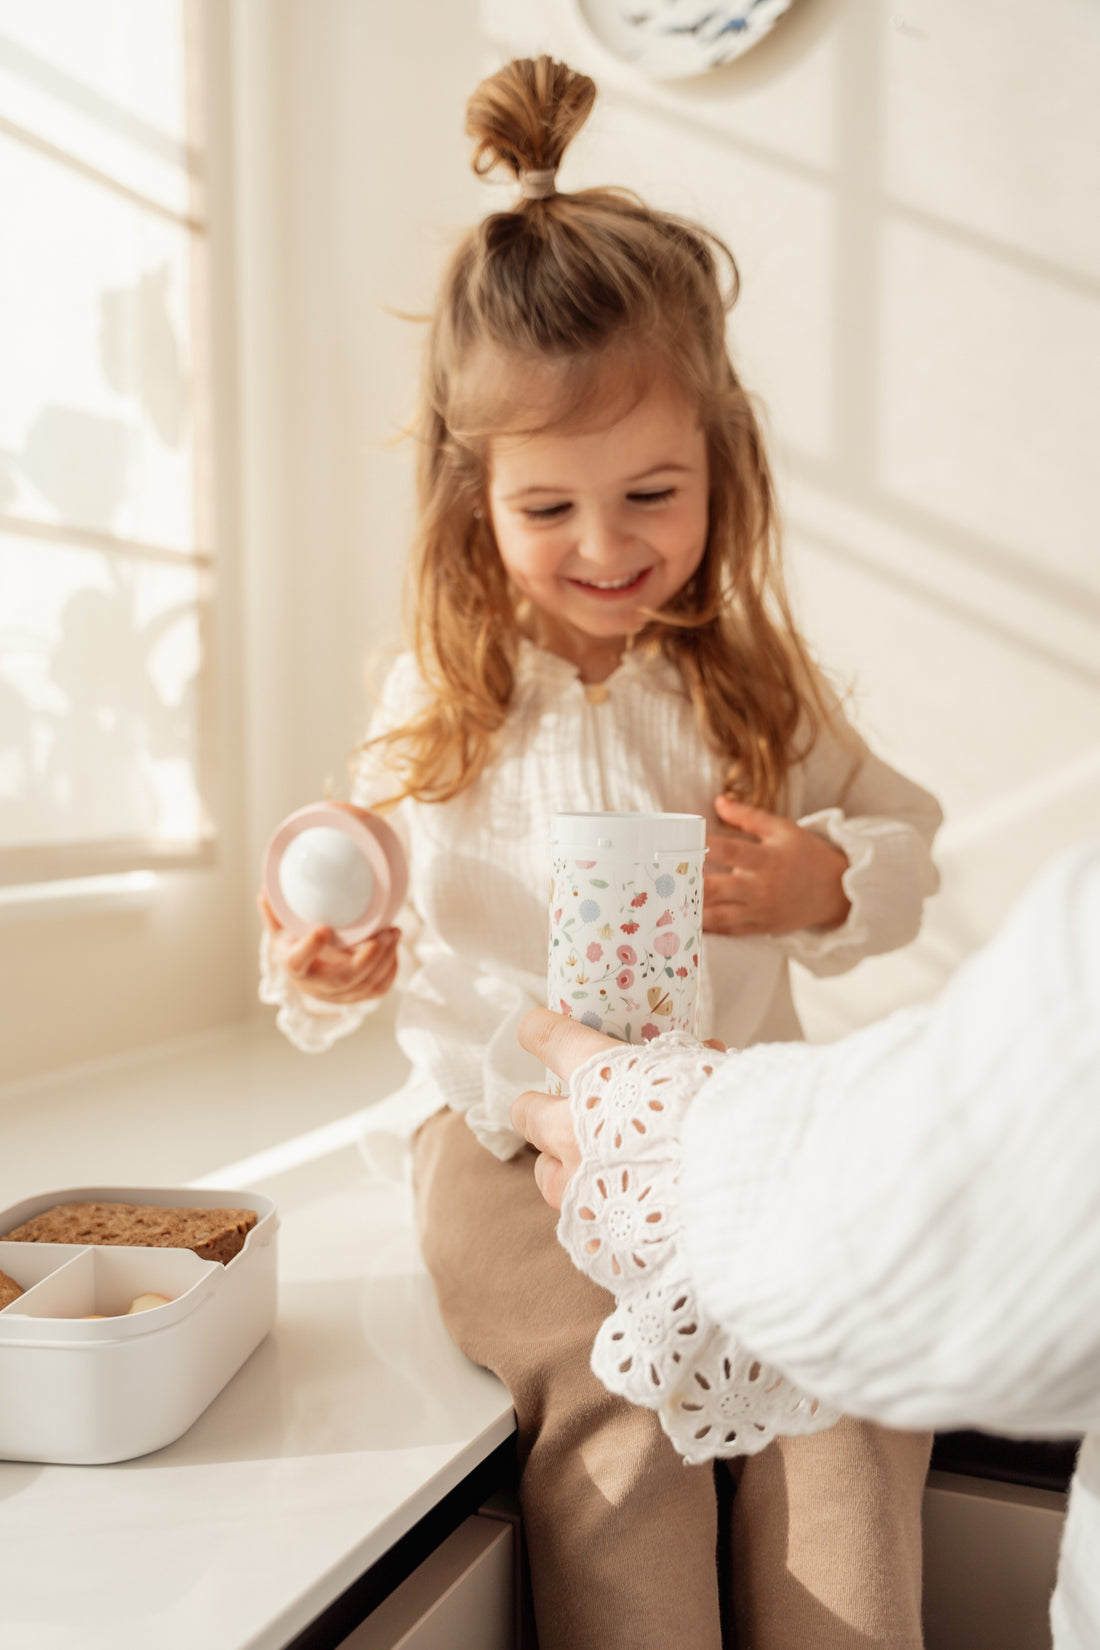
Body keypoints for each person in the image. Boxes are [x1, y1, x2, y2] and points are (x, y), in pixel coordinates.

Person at [260, 55, 945, 1650]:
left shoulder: (752, 685)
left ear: (724, 467)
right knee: (612, 1389)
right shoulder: (443, 699)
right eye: (548, 507)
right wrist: (328, 964)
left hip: (729, 1121)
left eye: (654, 491)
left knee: (842, 1374)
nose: (607, 546)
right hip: (510, 1134)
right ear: (474, 503)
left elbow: (906, 837)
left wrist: (820, 882)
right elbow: (345, 902)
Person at [510, 842, 1100, 1649]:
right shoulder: (430, 746)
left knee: (848, 1436)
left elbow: (1018, 1187)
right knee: (616, 1419)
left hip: (715, 1104)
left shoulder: (776, 720)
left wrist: (834, 887)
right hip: (568, 1128)